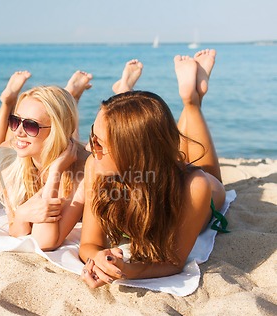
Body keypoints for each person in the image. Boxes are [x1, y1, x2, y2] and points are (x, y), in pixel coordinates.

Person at [80, 49, 227, 287]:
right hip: (159, 166)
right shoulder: (95, 167)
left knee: (204, 170)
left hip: (206, 190)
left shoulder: (195, 187)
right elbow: (89, 244)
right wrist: (98, 258)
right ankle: (182, 95)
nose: (88, 147)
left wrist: (127, 270)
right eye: (92, 136)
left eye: (98, 143)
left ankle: (191, 100)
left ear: (131, 153)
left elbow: (174, 261)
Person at [0, 70, 93, 251]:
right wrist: (21, 215)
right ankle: (71, 96)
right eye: (15, 121)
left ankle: (73, 96)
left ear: (56, 130)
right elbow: (16, 228)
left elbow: (45, 242)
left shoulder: (84, 169)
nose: (18, 131)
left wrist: (56, 173)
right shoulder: (9, 157)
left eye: (30, 125)